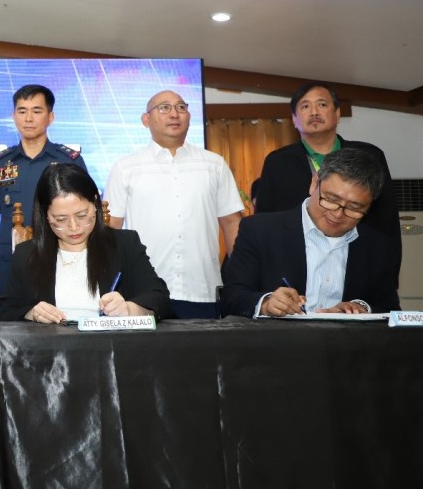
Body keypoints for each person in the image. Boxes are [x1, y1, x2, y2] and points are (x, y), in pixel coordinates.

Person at [104, 90, 244, 319]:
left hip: (203, 291)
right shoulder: (126, 168)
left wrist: (242, 282)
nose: (174, 114)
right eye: (164, 108)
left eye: (181, 107)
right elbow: (111, 230)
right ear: (146, 119)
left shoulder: (214, 165)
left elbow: (231, 224)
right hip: (143, 294)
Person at [221, 148, 400, 318]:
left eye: (354, 208)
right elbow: (231, 297)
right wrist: (267, 304)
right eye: (331, 199)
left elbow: (390, 310)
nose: (337, 214)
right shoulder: (259, 231)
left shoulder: (379, 247)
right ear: (314, 183)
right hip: (276, 346)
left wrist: (362, 308)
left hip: (348, 347)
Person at [255, 83, 401, 279]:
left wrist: (388, 274)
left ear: (338, 113)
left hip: (358, 265)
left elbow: (387, 220)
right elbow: (265, 221)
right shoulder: (277, 162)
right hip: (295, 268)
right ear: (294, 119)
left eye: (322, 105)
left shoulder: (369, 155)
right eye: (305, 106)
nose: (314, 112)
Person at [0, 164, 169, 321]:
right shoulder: (26, 254)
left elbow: (160, 299)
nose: (74, 227)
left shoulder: (125, 245)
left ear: (95, 203)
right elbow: (7, 314)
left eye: (82, 215)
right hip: (50, 351)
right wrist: (32, 313)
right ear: (45, 215)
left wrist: (129, 309)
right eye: (61, 219)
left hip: (112, 349)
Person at [0, 84, 88, 302]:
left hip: (61, 263)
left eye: (37, 111)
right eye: (22, 111)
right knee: (9, 332)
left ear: (50, 117)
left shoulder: (69, 161)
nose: (28, 118)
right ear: (14, 116)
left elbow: (86, 217)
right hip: (9, 267)